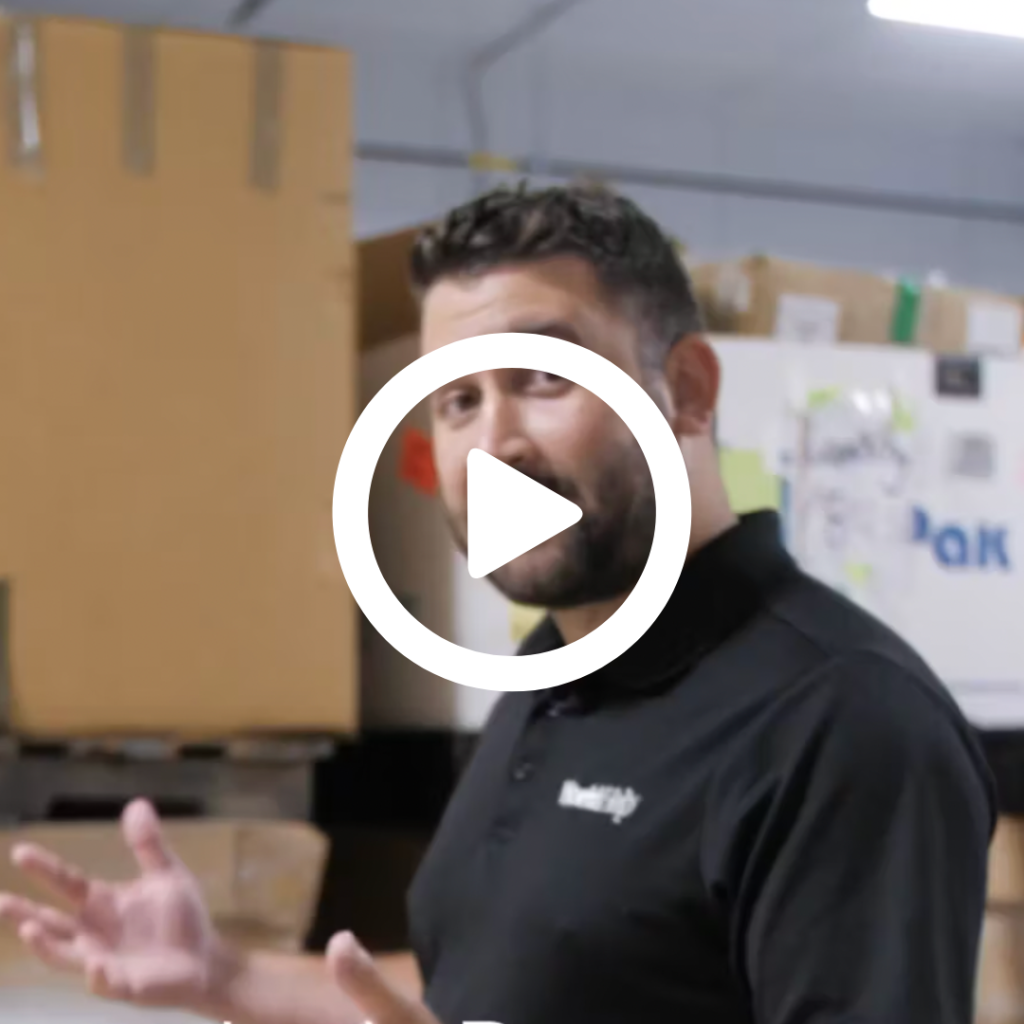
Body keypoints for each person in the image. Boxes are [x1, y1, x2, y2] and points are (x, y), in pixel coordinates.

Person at [0, 184, 996, 1024]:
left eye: (543, 377)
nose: (495, 447)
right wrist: (225, 974)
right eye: (458, 400)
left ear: (688, 390)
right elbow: (483, 987)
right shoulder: (545, 676)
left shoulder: (842, 723)